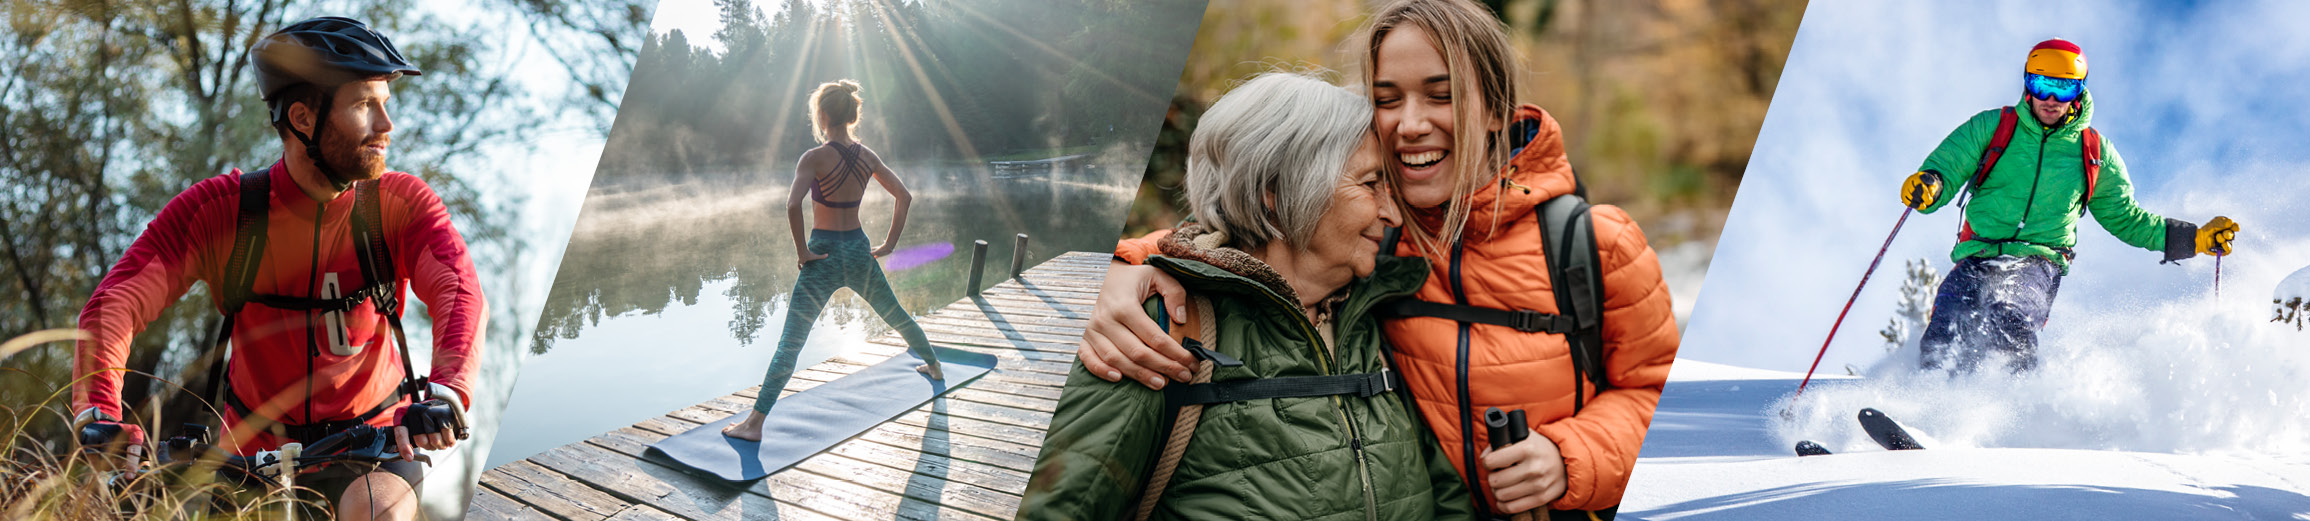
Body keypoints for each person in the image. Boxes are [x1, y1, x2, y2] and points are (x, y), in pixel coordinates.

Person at [1080, 1, 1679, 518]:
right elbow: (1233, 241)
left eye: (1441, 96)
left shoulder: (1593, 243)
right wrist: (1117, 270)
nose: (1411, 125)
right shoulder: (1367, 234)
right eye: (1387, 100)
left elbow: (1667, 403)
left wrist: (1569, 457)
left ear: (1496, 109)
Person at [70, 16, 482, 521]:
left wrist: (446, 390)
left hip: (372, 449)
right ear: (304, 120)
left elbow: (458, 291)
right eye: (363, 105)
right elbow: (116, 303)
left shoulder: (398, 206)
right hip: (247, 462)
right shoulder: (225, 213)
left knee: (375, 512)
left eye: (385, 104)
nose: (385, 125)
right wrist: (98, 413)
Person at [1022, 72, 1471, 520]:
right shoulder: (1155, 334)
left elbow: (1448, 502)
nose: (1392, 212)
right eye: (1371, 183)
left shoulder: (1371, 327)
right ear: (1276, 190)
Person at [1896, 38, 2240, 373]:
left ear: (2078, 92)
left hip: (2037, 262)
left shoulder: (2093, 153)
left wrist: (2194, 239)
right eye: (2041, 85)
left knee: (2008, 315)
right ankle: (1932, 403)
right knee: (1949, 319)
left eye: (2063, 89)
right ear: (2028, 85)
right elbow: (1948, 166)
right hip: (1978, 254)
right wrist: (1930, 185)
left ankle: (2010, 406)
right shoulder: (1995, 127)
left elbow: (2127, 218)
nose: (2050, 99)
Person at [723, 80, 943, 441]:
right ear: (851, 114)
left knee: (791, 343)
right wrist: (888, 244)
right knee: (895, 313)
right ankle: (934, 366)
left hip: (822, 254)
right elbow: (904, 196)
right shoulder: (868, 156)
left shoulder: (813, 158)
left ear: (823, 115)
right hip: (858, 248)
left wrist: (802, 253)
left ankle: (755, 424)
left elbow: (793, 205)